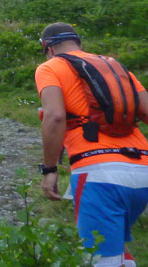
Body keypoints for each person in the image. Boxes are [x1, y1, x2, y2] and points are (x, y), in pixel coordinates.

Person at [35, 22, 148, 267]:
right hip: (142, 172)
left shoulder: (50, 67)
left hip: (98, 174)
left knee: (100, 259)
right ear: (79, 43)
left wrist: (50, 169)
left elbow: (55, 116)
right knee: (115, 250)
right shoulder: (114, 66)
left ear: (49, 49)